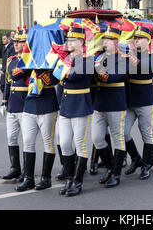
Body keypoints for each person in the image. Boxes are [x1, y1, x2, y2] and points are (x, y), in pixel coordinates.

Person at [58, 24, 93, 197]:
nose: (69, 42)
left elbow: (73, 76)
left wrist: (64, 72)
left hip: (80, 104)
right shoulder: (66, 59)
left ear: (81, 41)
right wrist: (64, 72)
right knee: (64, 143)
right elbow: (58, 77)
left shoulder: (87, 59)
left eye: (73, 40)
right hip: (65, 104)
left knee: (80, 145)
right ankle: (69, 178)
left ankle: (78, 182)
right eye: (68, 39)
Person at [91, 26, 128, 188]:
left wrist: (97, 69)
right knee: (97, 138)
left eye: (108, 40)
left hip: (115, 102)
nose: (105, 42)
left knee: (118, 138)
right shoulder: (98, 57)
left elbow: (113, 77)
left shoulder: (123, 58)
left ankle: (116, 174)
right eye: (104, 40)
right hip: (100, 103)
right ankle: (110, 167)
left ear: (116, 41)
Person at [124, 26, 153, 181]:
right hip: (131, 99)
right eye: (136, 38)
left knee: (145, 132)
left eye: (140, 38)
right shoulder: (131, 53)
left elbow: (142, 67)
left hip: (145, 99)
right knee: (123, 132)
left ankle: (146, 165)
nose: (137, 40)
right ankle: (135, 158)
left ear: (148, 40)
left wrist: (128, 57)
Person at [16, 68, 59, 192]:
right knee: (27, 141)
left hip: (47, 105)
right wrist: (28, 66)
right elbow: (15, 76)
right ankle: (28, 179)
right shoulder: (28, 60)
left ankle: (46, 178)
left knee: (48, 142)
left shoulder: (51, 59)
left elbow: (51, 81)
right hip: (29, 105)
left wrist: (39, 67)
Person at [1, 29, 27, 183]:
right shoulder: (11, 60)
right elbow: (7, 83)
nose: (16, 44)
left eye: (20, 42)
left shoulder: (30, 59)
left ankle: (25, 170)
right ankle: (15, 167)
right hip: (13, 103)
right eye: (15, 41)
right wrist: (4, 101)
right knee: (11, 137)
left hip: (25, 103)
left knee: (27, 139)